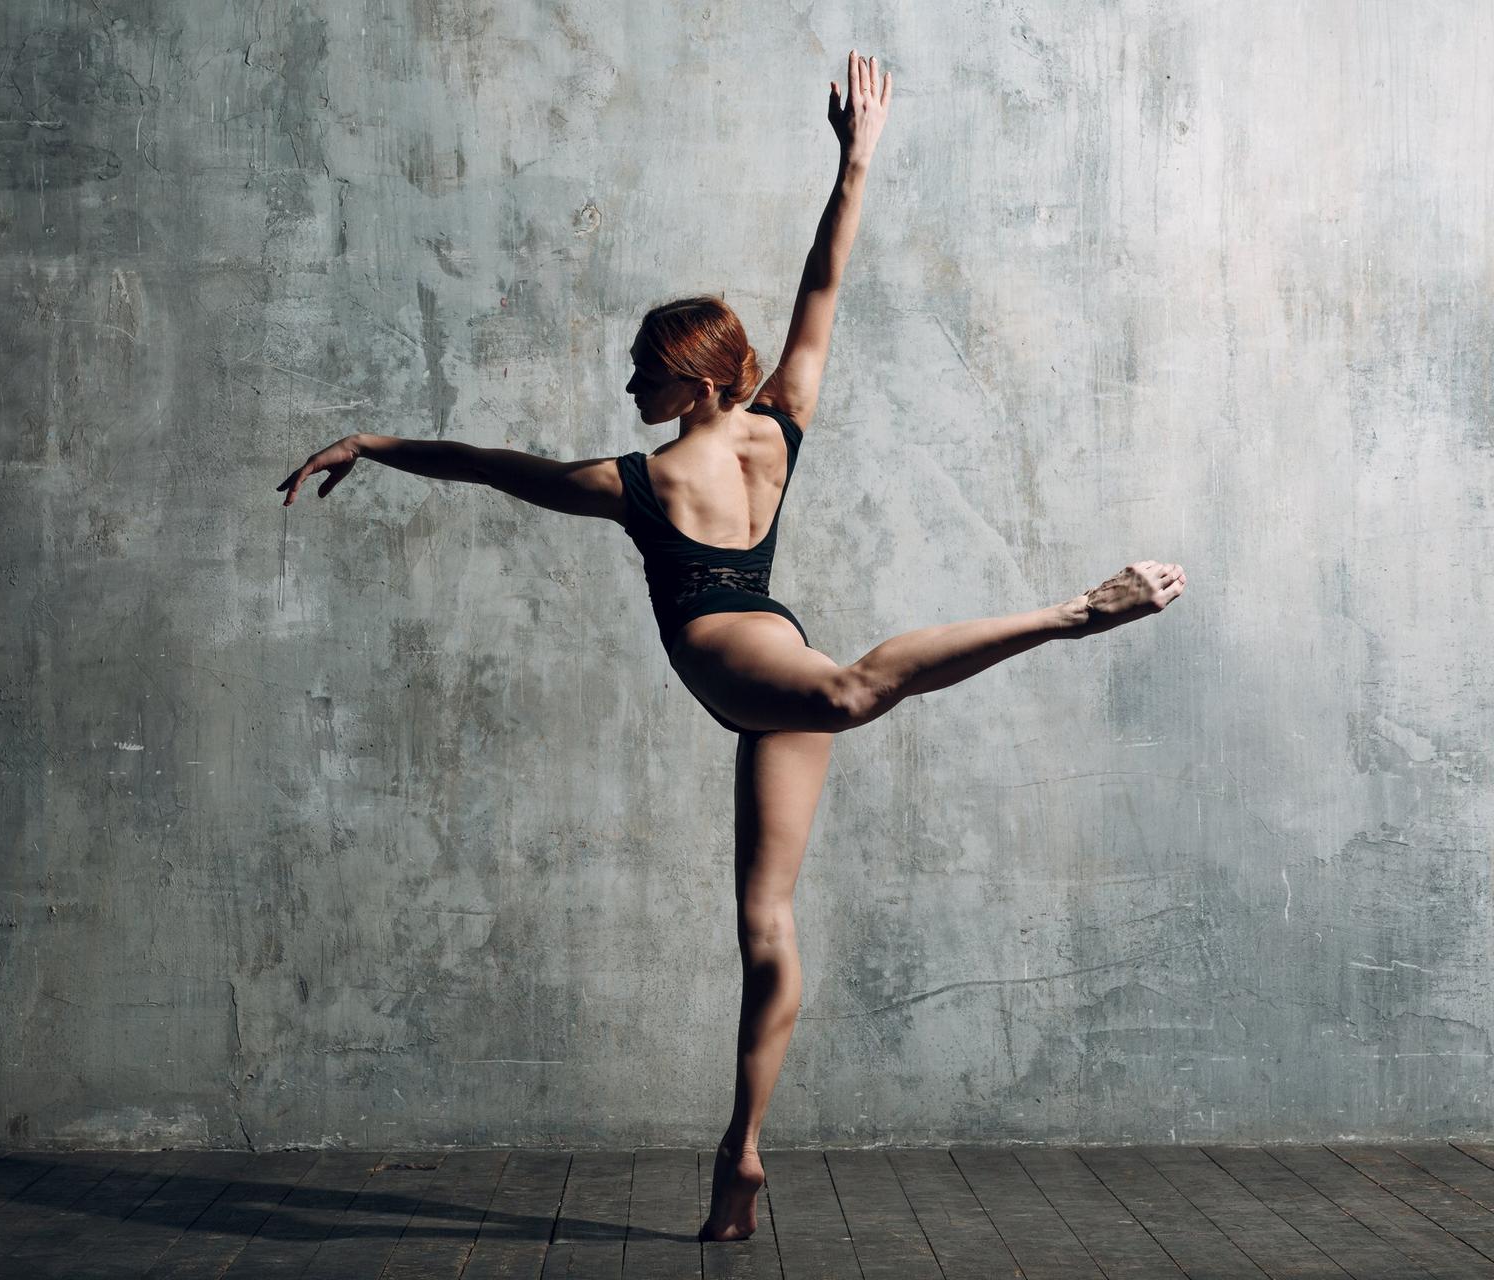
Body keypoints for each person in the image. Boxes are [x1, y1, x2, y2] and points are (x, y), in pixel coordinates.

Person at [276, 49, 1185, 1243]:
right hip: (771, 649)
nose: (628, 382)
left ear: (694, 378)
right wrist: (854, 162)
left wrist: (377, 443)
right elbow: (822, 284)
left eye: (644, 369)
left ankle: (1074, 612)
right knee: (766, 915)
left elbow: (491, 466)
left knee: (844, 708)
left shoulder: (633, 480)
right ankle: (741, 1146)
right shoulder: (776, 425)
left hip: (729, 654)